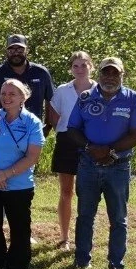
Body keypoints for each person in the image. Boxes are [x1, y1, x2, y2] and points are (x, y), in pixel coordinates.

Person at [66, 57, 136, 269]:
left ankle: (116, 264)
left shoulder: (135, 99)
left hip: (118, 166)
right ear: (98, 74)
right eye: (105, 72)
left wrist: (109, 151)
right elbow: (72, 129)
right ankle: (82, 260)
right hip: (88, 164)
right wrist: (91, 148)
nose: (110, 77)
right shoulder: (84, 98)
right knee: (85, 215)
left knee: (118, 217)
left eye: (114, 73)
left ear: (122, 75)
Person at [0, 79, 45, 269]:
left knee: (19, 226)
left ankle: (17, 265)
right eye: (4, 93)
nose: (6, 97)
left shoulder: (32, 122)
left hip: (19, 185)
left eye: (12, 94)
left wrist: (5, 174)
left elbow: (33, 156)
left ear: (23, 97)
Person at [46, 52, 95, 250]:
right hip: (66, 142)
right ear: (71, 68)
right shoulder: (62, 90)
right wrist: (66, 128)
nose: (80, 69)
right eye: (76, 66)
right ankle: (64, 238)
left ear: (91, 66)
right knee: (67, 192)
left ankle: (84, 239)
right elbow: (53, 114)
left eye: (84, 65)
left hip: (92, 142)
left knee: (88, 194)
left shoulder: (99, 90)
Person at [0, 34, 55, 122]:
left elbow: (51, 101)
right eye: (11, 50)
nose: (15, 53)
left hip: (33, 128)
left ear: (27, 50)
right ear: (6, 51)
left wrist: (48, 125)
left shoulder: (41, 73)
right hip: (2, 129)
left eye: (20, 49)